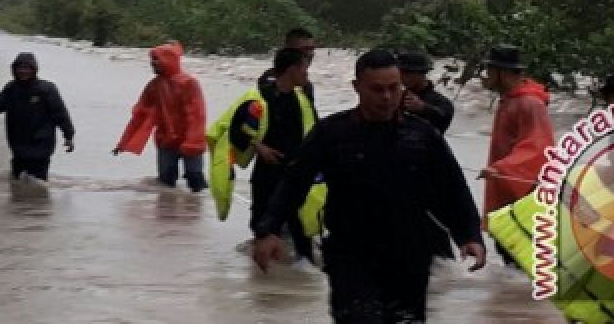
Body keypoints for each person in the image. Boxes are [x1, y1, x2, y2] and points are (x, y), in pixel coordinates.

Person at [252, 49, 486, 323]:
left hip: (409, 256)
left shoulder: (422, 135)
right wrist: (268, 230)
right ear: (357, 87)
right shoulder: (332, 133)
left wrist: (469, 235)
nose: (387, 97)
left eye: (393, 88)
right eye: (377, 89)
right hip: (350, 255)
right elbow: (294, 182)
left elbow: (452, 188)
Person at [208, 47, 323, 266]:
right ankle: (262, 287)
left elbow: (317, 131)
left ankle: (303, 276)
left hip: (296, 174)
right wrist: (258, 146)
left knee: (301, 228)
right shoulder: (259, 98)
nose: (307, 74)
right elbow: (234, 131)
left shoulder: (302, 99)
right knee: (263, 224)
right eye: (304, 69)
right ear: (292, 69)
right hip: (267, 174)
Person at [479, 44, 555, 265]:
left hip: (523, 193)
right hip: (508, 191)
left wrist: (500, 169)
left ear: (503, 73)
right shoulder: (511, 99)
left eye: (491, 71)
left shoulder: (530, 103)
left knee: (522, 260)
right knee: (511, 259)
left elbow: (538, 146)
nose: (487, 76)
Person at [113, 41, 208, 192]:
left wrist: (192, 143)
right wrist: (124, 142)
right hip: (166, 141)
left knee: (196, 182)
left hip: (191, 142)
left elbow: (197, 116)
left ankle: (197, 212)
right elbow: (140, 115)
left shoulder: (189, 83)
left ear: (168, 60)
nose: (152, 63)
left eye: (156, 60)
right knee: (165, 185)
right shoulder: (153, 86)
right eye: (152, 60)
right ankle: (167, 213)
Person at [0, 52, 75, 181]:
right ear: (14, 70)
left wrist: (68, 136)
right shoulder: (11, 88)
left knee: (38, 183)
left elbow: (60, 114)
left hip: (41, 144)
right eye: (19, 68)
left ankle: (38, 200)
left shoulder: (47, 89)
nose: (23, 71)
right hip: (18, 143)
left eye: (27, 68)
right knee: (17, 181)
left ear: (34, 70)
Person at [397, 49, 454, 134]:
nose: (401, 78)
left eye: (407, 74)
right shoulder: (397, 98)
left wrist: (423, 108)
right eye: (399, 73)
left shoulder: (441, 102)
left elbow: (443, 118)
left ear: (421, 73)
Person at [258, 27, 317, 103]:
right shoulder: (271, 81)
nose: (311, 53)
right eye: (306, 49)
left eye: (312, 49)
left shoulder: (306, 85)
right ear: (289, 49)